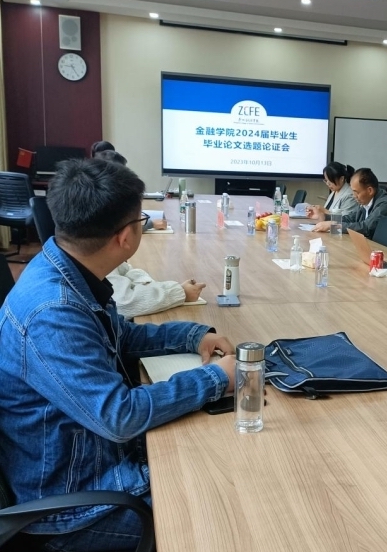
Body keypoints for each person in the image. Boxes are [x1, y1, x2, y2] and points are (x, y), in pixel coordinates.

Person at [0, 157, 236, 550]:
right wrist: (217, 378)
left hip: (91, 461)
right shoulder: (52, 312)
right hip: (73, 508)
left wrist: (192, 335)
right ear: (125, 237)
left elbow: (119, 336)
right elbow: (119, 416)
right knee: (224, 507)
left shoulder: (66, 268)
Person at [95, 150, 206, 317]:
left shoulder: (96, 247)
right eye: (141, 220)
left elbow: (125, 270)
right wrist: (180, 292)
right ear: (125, 237)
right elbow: (124, 303)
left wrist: (147, 285)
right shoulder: (101, 257)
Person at [313, 167, 387, 237]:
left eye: (356, 192)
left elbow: (366, 228)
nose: (354, 196)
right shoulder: (365, 200)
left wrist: (334, 226)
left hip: (386, 250)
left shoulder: (385, 204)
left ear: (370, 190)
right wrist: (325, 217)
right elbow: (350, 218)